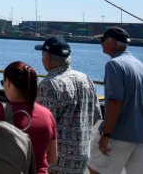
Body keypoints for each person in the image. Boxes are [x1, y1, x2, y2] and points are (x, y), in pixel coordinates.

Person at [34, 37, 101, 174]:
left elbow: (43, 126)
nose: (41, 59)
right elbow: (95, 115)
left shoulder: (49, 84)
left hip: (57, 159)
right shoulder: (85, 79)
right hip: (82, 155)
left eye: (42, 55)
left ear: (48, 58)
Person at [88, 27, 143, 174]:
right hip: (138, 135)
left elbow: (114, 102)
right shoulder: (139, 65)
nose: (101, 43)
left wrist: (106, 134)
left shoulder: (114, 65)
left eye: (103, 40)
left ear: (112, 42)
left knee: (95, 169)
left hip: (118, 135)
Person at [0, 61, 57, 174]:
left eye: (2, 82)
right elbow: (52, 158)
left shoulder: (1, 111)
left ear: (8, 83)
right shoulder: (47, 115)